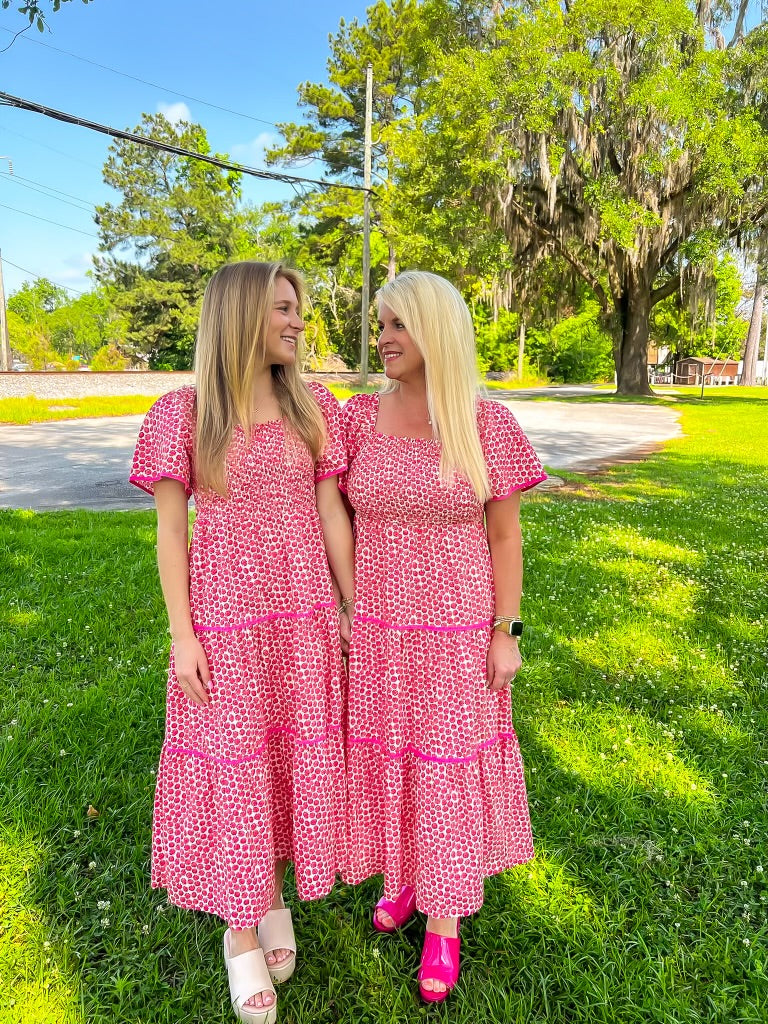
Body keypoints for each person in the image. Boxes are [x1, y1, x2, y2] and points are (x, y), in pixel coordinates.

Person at [129, 261, 354, 1024]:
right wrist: (182, 634)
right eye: (285, 309)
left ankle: (270, 893)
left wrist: (351, 607)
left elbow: (331, 514)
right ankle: (239, 930)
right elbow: (169, 533)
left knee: (288, 760)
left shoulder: (314, 405)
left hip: (302, 618)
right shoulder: (182, 414)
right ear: (241, 315)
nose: (299, 321)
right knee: (237, 764)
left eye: (300, 309)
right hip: (225, 622)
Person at [340, 271, 546, 1003]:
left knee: (447, 770)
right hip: (378, 634)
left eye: (397, 324)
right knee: (393, 762)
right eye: (380, 324)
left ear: (434, 330)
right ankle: (403, 876)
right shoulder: (356, 420)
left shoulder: (486, 425)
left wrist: (506, 632)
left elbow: (506, 534)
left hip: (457, 636)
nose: (383, 338)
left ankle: (445, 921)